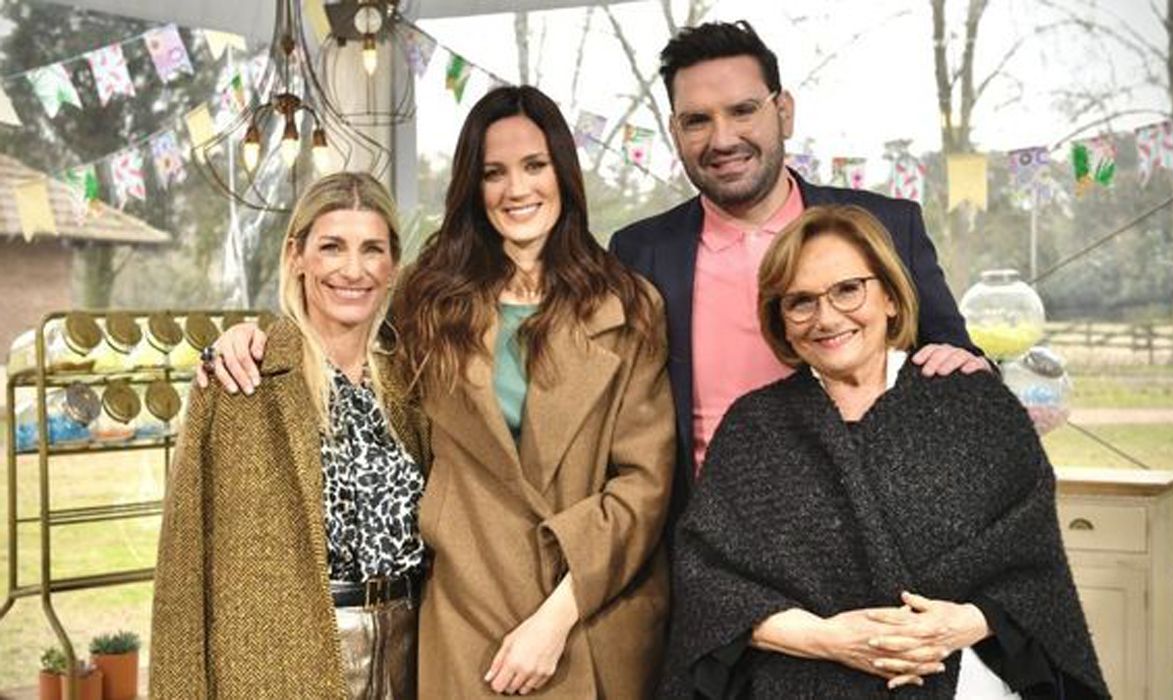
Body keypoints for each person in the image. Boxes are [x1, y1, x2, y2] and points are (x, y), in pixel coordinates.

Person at [199, 86, 676, 698]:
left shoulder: (629, 307)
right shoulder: (429, 300)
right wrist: (254, 338)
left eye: (534, 165)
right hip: (468, 618)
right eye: (494, 173)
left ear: (563, 171)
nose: (517, 189)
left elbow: (644, 486)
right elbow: (345, 341)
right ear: (472, 187)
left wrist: (556, 619)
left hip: (587, 616)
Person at [661, 204, 1108, 699]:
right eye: (801, 302)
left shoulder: (978, 406)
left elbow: (1036, 572)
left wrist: (963, 623)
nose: (827, 318)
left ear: (891, 296)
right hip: (799, 679)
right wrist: (827, 639)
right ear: (781, 321)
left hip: (962, 675)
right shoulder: (754, 428)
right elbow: (710, 587)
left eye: (848, 289)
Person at [608, 21, 989, 517]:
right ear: (674, 131)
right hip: (708, 539)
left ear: (783, 112)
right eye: (697, 120)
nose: (722, 139)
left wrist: (968, 366)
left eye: (743, 110)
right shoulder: (638, 253)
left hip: (873, 529)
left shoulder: (889, 227)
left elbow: (956, 361)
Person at [150, 172, 429, 698]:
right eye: (332, 247)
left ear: (393, 266)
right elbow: (183, 574)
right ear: (297, 255)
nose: (353, 269)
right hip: (284, 666)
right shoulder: (239, 380)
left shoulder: (412, 383)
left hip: (411, 660)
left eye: (372, 249)